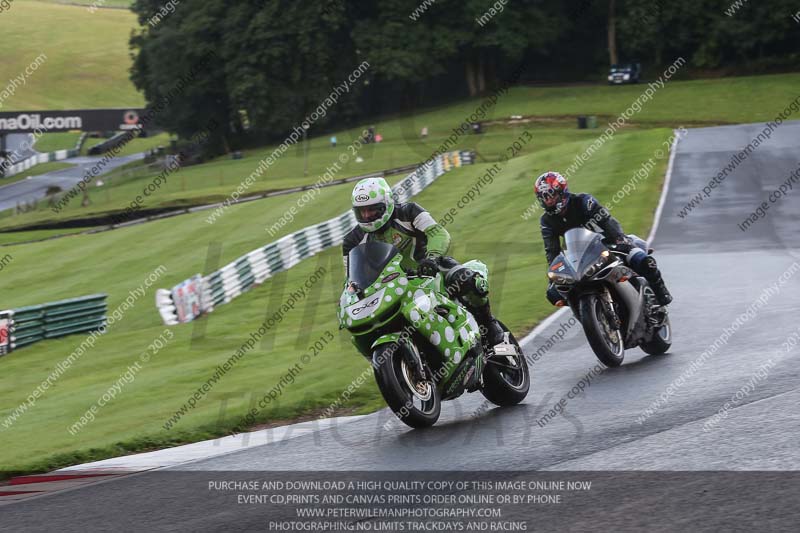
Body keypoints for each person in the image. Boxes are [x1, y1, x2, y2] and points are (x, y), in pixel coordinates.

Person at [343, 177, 505, 346]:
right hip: (391, 289)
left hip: (430, 270)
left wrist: (432, 258)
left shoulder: (408, 211)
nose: (367, 215)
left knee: (466, 279)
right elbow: (351, 277)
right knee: (365, 330)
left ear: (387, 204)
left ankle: (488, 322)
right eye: (362, 211)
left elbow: (438, 233)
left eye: (373, 210)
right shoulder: (352, 240)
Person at [534, 171, 673, 306]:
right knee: (557, 292)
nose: (549, 200)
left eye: (551, 195)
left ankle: (662, 294)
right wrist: (553, 278)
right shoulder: (546, 221)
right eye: (544, 197)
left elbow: (608, 221)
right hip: (579, 258)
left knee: (642, 260)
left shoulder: (583, 201)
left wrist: (619, 239)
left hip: (606, 243)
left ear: (561, 192)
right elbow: (551, 250)